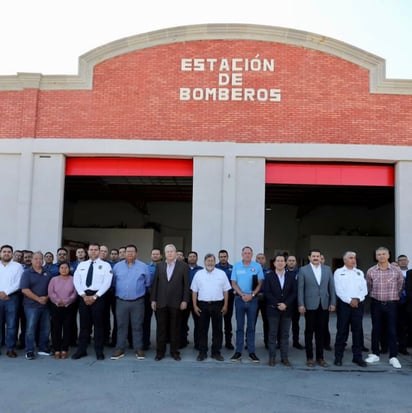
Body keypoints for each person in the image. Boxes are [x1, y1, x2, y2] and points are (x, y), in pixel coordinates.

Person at [72, 243, 113, 360]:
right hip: (84, 296)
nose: (93, 251)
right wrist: (83, 295)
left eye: (96, 250)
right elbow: (76, 280)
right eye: (91, 250)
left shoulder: (105, 266)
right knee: (84, 325)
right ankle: (81, 350)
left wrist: (95, 296)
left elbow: (107, 282)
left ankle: (99, 351)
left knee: (99, 325)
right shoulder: (82, 265)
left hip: (98, 297)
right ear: (87, 252)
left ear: (99, 251)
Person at [365, 247, 404, 369]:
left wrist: (391, 297)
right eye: (379, 254)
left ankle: (393, 356)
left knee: (392, 330)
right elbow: (369, 286)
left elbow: (400, 285)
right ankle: (375, 354)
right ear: (376, 256)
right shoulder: (371, 271)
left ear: (388, 256)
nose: (381, 256)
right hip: (376, 303)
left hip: (391, 304)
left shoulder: (396, 271)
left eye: (383, 254)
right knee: (376, 329)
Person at [110, 244, 151, 360]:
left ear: (136, 254)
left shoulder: (144, 266)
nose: (130, 254)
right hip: (121, 301)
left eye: (132, 252)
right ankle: (120, 348)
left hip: (137, 302)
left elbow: (147, 283)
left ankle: (138, 348)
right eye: (128, 252)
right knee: (121, 325)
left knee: (137, 326)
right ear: (124, 253)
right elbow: (113, 283)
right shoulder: (117, 267)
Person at [151, 244, 190, 361]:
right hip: (161, 303)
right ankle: (160, 352)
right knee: (161, 329)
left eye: (171, 251)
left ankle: (174, 352)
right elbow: (155, 284)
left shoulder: (183, 266)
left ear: (175, 252)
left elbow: (186, 285)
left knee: (175, 329)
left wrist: (185, 300)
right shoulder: (160, 266)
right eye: (167, 252)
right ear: (164, 254)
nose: (169, 253)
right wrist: (153, 299)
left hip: (177, 303)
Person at [298, 248, 336, 367]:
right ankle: (309, 357)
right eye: (313, 256)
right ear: (309, 257)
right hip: (309, 305)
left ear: (320, 257)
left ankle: (320, 358)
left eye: (317, 256)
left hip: (324, 304)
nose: (315, 258)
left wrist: (333, 302)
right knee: (309, 332)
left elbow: (331, 288)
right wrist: (301, 304)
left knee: (321, 332)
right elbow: (300, 289)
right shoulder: (303, 270)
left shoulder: (327, 269)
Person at [191, 253, 231, 361]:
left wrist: (226, 305)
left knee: (217, 330)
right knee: (202, 330)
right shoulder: (198, 274)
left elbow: (226, 291)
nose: (210, 263)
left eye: (212, 260)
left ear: (215, 262)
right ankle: (202, 352)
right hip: (202, 305)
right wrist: (194, 305)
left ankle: (216, 352)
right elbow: (194, 291)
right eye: (208, 260)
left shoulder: (221, 274)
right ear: (204, 262)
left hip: (218, 305)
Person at [333, 251, 368, 367]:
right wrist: (350, 300)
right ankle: (338, 357)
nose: (353, 260)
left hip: (358, 305)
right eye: (351, 258)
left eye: (354, 258)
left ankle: (357, 357)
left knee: (357, 332)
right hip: (344, 305)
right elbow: (338, 290)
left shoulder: (359, 272)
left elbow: (364, 289)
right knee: (342, 332)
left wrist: (357, 299)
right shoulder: (338, 272)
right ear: (344, 260)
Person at [230, 246, 264, 363]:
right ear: (242, 254)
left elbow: (260, 283)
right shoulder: (236, 266)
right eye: (245, 253)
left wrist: (252, 295)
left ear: (252, 254)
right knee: (239, 327)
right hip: (239, 299)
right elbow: (233, 283)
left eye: (249, 253)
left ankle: (251, 352)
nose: (247, 255)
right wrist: (242, 294)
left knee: (251, 327)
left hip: (253, 300)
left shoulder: (257, 266)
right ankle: (238, 352)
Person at [264, 254, 296, 367]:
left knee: (285, 335)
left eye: (282, 261)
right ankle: (272, 358)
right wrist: (278, 304)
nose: (280, 262)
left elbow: (293, 292)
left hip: (286, 310)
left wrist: (285, 304)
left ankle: (284, 358)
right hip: (273, 310)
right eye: (278, 260)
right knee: (272, 334)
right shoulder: (269, 276)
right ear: (274, 263)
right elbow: (267, 293)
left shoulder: (291, 276)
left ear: (285, 263)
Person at [20, 251, 52, 360]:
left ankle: (43, 348)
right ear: (32, 260)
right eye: (36, 258)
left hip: (45, 305)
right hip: (31, 306)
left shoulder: (47, 272)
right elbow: (24, 289)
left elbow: (52, 288)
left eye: (40, 259)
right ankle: (29, 350)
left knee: (46, 328)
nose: (39, 260)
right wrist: (38, 299)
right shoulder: (27, 273)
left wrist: (46, 298)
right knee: (30, 328)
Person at [48, 261, 78, 359]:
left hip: (69, 307)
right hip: (55, 307)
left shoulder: (73, 279)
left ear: (69, 269)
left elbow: (74, 293)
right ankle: (57, 349)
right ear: (59, 269)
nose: (64, 269)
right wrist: (57, 301)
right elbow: (51, 292)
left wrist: (66, 301)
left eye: (66, 267)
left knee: (67, 328)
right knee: (56, 328)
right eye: (62, 267)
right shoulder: (54, 279)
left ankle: (64, 349)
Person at [0, 244, 24, 357]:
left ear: (12, 254)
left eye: (9, 252)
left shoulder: (17, 266)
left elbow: (19, 283)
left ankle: (10, 348)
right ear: (0, 253)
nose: (6, 253)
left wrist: (6, 292)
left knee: (11, 324)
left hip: (12, 298)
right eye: (4, 251)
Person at [181, 251, 203, 349]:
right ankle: (182, 341)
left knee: (198, 322)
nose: (192, 258)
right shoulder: (183, 269)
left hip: (197, 298)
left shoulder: (201, 270)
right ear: (187, 258)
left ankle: (198, 343)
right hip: (185, 297)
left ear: (197, 258)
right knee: (182, 321)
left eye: (194, 256)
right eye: (190, 256)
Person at [143, 248, 162, 350]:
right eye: (153, 254)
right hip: (148, 296)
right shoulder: (145, 267)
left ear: (161, 256)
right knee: (146, 321)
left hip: (161, 297)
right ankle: (145, 343)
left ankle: (160, 344)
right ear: (151, 256)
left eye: (157, 254)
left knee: (161, 322)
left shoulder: (165, 267)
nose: (155, 256)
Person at [286, 255, 304, 350]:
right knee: (283, 323)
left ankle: (296, 342)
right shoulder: (283, 272)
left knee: (295, 323)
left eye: (293, 260)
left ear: (296, 262)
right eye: (289, 260)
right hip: (286, 302)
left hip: (296, 302)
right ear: (286, 262)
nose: (291, 262)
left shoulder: (300, 273)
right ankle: (282, 342)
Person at [255, 253, 270, 349]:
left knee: (267, 322)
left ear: (265, 260)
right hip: (254, 298)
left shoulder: (270, 271)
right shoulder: (251, 271)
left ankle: (267, 342)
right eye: (258, 258)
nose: (260, 260)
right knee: (252, 322)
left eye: (262, 258)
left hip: (266, 299)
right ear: (255, 260)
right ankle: (249, 342)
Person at [396, 254, 409, 355]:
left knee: (406, 326)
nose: (403, 262)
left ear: (408, 261)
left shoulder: (410, 273)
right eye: (400, 260)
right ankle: (398, 346)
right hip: (397, 302)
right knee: (397, 325)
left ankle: (404, 345)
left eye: (405, 260)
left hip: (408, 303)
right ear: (398, 262)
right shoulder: (394, 273)